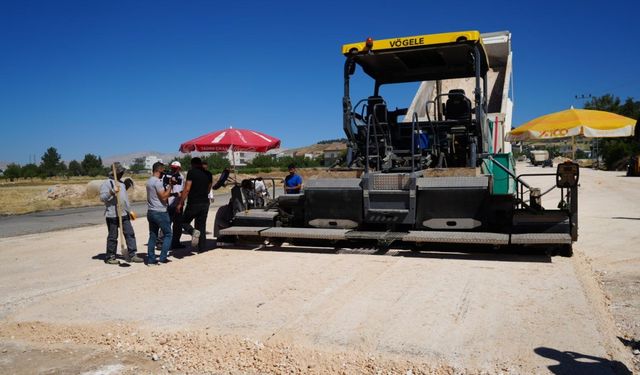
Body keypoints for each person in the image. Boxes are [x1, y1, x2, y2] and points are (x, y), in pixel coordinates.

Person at [99, 163, 143, 265]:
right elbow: (102, 198)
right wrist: (111, 192)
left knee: (130, 234)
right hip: (112, 215)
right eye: (121, 172)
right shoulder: (107, 183)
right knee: (113, 237)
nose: (122, 174)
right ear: (117, 172)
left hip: (124, 214)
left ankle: (132, 254)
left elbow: (124, 200)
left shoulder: (122, 184)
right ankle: (110, 257)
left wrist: (129, 210)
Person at [177, 157, 213, 252]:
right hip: (205, 202)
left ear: (193, 164)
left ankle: (192, 232)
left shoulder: (192, 172)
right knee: (201, 225)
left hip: (194, 202)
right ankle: (202, 248)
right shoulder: (208, 174)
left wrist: (180, 202)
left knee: (183, 222)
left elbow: (187, 188)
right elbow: (209, 189)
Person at [146, 161, 174, 265]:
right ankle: (162, 258)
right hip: (160, 212)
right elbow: (164, 196)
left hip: (151, 211)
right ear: (159, 170)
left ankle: (151, 259)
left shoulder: (149, 181)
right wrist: (170, 186)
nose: (164, 173)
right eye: (163, 171)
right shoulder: (157, 182)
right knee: (168, 234)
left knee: (153, 235)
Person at [164, 161, 185, 249]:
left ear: (179, 168)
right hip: (169, 204)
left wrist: (181, 202)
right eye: (172, 168)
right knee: (166, 224)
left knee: (178, 225)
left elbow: (183, 190)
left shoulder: (181, 177)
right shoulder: (167, 176)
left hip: (178, 204)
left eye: (175, 168)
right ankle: (163, 243)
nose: (173, 169)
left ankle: (176, 243)